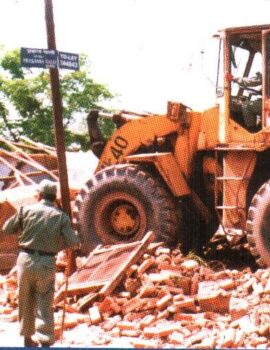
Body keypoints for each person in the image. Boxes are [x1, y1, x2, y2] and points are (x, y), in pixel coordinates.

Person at [1, 179, 80, 347]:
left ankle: (27, 338)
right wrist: (58, 244)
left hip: (25, 259)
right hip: (46, 262)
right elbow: (73, 243)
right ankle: (44, 341)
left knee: (25, 298)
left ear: (40, 195)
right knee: (44, 300)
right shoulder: (60, 216)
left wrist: (26, 233)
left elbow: (7, 228)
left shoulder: (25, 210)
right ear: (53, 197)